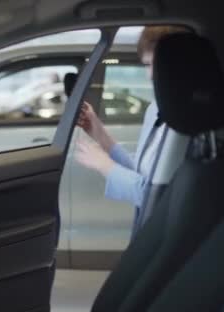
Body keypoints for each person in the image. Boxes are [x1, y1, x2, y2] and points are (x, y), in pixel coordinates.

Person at [75, 26, 189, 233]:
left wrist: (105, 165)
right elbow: (144, 173)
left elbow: (157, 197)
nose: (152, 75)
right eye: (147, 65)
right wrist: (99, 133)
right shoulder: (156, 109)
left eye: (159, 65)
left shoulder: (190, 122)